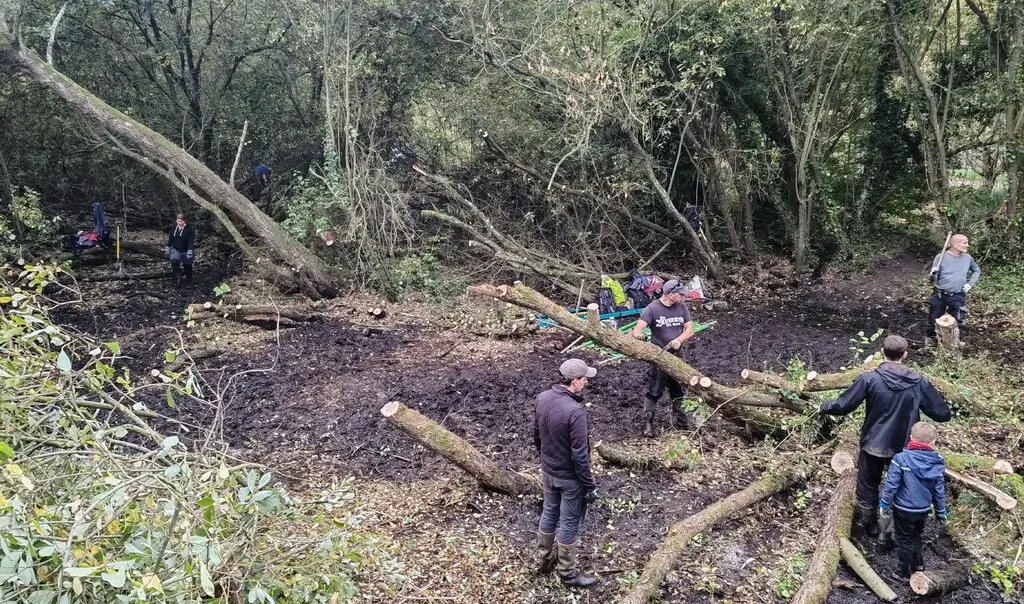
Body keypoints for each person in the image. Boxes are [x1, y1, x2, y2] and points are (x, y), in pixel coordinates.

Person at [818, 335, 950, 544]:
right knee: (903, 485)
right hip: (906, 448)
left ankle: (870, 526)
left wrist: (824, 405)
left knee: (868, 485)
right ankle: (891, 530)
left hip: (873, 444)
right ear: (905, 355)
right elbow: (942, 414)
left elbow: (843, 405)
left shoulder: (870, 378)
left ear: (882, 352)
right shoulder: (919, 382)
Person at [534, 358, 599, 588]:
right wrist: (589, 486)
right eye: (585, 379)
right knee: (569, 522)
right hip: (569, 479)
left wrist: (547, 461)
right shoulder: (575, 412)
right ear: (575, 381)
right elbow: (580, 456)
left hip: (548, 472)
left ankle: (544, 560)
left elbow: (536, 436)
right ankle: (568, 573)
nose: (587, 383)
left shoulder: (542, 398)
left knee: (549, 513)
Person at [880, 422, 947, 580]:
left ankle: (902, 572)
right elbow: (939, 490)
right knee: (917, 535)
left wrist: (884, 503)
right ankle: (918, 565)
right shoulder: (937, 461)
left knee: (904, 539)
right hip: (923, 509)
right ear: (933, 443)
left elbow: (891, 484)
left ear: (911, 438)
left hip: (903, 508)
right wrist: (940, 511)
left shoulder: (901, 459)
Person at [630, 280, 695, 437]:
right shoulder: (652, 309)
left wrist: (679, 340)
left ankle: (682, 423)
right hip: (659, 357)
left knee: (678, 391)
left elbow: (690, 329)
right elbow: (638, 329)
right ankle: (648, 423)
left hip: (677, 357)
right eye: (680, 294)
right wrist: (639, 334)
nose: (683, 296)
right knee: (654, 391)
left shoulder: (682, 307)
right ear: (670, 294)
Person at [927, 234, 980, 344]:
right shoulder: (940, 257)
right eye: (965, 243)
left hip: (958, 295)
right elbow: (932, 280)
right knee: (934, 319)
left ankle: (952, 343)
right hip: (940, 294)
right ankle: (930, 343)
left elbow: (976, 270)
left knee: (957, 319)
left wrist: (970, 284)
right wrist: (933, 274)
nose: (967, 245)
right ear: (955, 245)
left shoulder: (968, 258)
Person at [166, 213, 196, 286]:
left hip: (186, 249)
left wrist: (190, 250)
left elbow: (191, 241)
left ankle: (189, 280)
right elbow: (171, 238)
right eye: (178, 221)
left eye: (181, 221)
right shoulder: (173, 227)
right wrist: (168, 247)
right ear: (176, 221)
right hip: (176, 249)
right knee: (174, 261)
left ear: (185, 221)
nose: (180, 223)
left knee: (187, 265)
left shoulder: (189, 229)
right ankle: (178, 276)